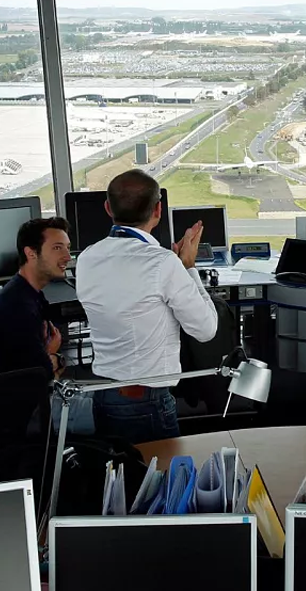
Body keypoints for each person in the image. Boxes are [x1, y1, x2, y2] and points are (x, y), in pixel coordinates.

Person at [75, 170, 218, 443]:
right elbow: (206, 330)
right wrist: (187, 268)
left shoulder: (87, 258)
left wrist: (174, 267)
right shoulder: (163, 263)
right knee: (158, 482)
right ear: (158, 209)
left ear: (107, 207)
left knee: (120, 478)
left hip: (103, 394)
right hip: (146, 400)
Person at [0, 217, 71, 379]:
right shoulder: (18, 308)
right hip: (20, 400)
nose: (68, 257)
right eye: (57, 248)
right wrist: (55, 356)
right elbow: (40, 374)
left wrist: (50, 358)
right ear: (31, 253)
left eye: (67, 248)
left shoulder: (28, 293)